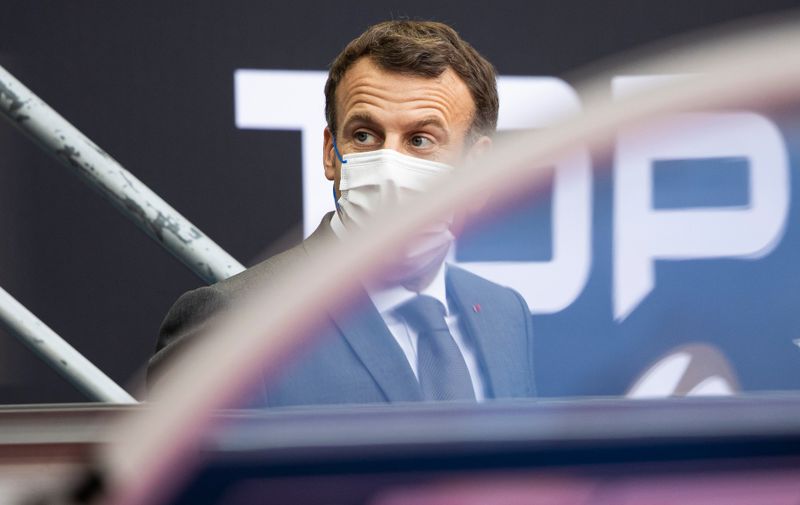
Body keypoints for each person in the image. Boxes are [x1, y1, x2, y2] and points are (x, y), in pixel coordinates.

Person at [147, 20, 535, 406]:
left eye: (420, 140)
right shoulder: (237, 325)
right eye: (365, 135)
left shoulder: (504, 315)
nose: (389, 165)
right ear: (330, 153)